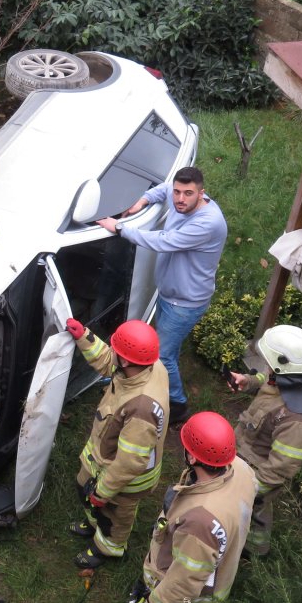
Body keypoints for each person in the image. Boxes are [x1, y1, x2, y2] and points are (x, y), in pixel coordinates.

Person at [96, 167, 226, 425]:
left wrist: (119, 227)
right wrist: (142, 201)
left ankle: (177, 406)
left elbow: (163, 241)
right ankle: (142, 380)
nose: (179, 198)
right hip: (170, 294)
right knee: (167, 349)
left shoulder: (207, 223)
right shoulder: (178, 197)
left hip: (185, 304)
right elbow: (164, 188)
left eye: (188, 193)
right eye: (178, 192)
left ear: (202, 194)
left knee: (162, 355)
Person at [128, 412, 255, 603]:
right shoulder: (241, 468)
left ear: (194, 459)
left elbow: (183, 582)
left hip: (188, 601)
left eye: (188, 448)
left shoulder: (201, 521)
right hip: (214, 555)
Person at [65, 317, 170, 569]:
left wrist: (103, 492)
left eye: (118, 352)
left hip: (125, 480)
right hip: (104, 460)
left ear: (126, 360)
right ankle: (93, 523)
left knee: (115, 515)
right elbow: (107, 360)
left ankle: (108, 548)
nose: (113, 356)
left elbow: (129, 463)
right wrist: (84, 336)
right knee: (86, 492)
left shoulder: (142, 409)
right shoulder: (147, 365)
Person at [227, 324, 302, 556]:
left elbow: (278, 470)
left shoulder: (298, 422)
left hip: (259, 470)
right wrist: (249, 381)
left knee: (256, 508)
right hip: (249, 449)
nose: (266, 368)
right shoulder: (295, 374)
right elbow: (267, 378)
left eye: (269, 363)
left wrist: (245, 490)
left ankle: (255, 548)